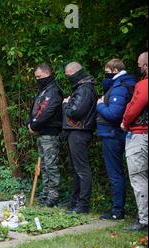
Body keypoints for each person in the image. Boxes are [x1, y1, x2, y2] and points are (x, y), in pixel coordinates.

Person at [96, 59, 136, 220]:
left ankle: (117, 210)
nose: (105, 74)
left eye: (107, 70)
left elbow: (113, 114)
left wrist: (99, 105)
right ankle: (118, 207)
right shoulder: (123, 84)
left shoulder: (119, 87)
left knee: (115, 173)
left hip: (112, 134)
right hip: (115, 133)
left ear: (114, 70)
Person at [62, 62, 97, 215]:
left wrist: (65, 104)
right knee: (76, 169)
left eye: (68, 75)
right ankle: (75, 201)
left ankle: (82, 205)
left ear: (76, 73)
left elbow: (75, 111)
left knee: (81, 169)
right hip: (75, 131)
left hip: (79, 132)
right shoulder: (81, 88)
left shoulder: (84, 89)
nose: (67, 78)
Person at [27, 62, 63, 207]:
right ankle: (46, 192)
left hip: (50, 133)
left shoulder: (54, 91)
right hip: (41, 132)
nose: (37, 79)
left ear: (47, 74)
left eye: (39, 76)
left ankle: (53, 195)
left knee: (51, 165)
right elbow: (35, 109)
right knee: (44, 165)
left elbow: (47, 112)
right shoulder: (43, 90)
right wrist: (29, 123)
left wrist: (35, 125)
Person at [121, 51, 148, 232]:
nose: (138, 68)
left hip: (141, 135)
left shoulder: (144, 84)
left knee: (139, 177)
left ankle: (144, 220)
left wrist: (125, 121)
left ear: (145, 66)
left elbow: (135, 106)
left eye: (139, 65)